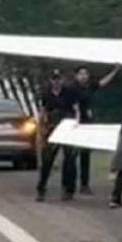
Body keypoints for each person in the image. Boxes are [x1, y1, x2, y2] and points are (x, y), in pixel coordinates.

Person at [71, 64, 121, 195]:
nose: (83, 76)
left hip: (87, 123)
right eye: (81, 74)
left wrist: (115, 71)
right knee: (71, 155)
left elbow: (102, 83)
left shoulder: (89, 86)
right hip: (74, 123)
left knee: (85, 155)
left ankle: (84, 184)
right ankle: (69, 185)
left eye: (85, 74)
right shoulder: (72, 88)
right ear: (76, 76)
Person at [36, 70, 79, 202]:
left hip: (66, 128)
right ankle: (41, 189)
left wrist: (76, 124)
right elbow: (43, 112)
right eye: (54, 79)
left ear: (62, 80)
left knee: (70, 160)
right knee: (47, 160)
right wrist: (41, 129)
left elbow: (76, 110)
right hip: (52, 128)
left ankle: (68, 189)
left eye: (59, 79)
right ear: (51, 81)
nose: (57, 82)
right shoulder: (46, 94)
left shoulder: (69, 93)